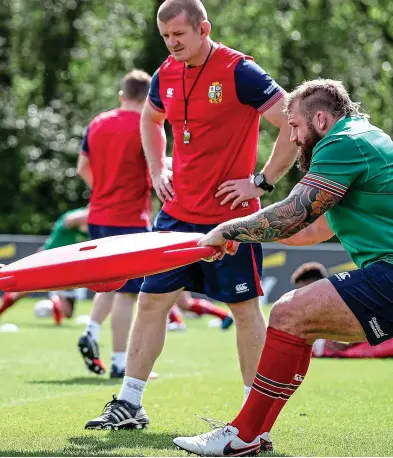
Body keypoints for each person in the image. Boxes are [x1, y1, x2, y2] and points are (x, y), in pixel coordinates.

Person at [172, 78, 393, 456]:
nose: (292, 137)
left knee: (288, 310)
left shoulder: (342, 143)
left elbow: (292, 215)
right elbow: (308, 231)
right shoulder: (358, 139)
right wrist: (239, 235)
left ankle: (241, 435)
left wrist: (227, 229)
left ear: (321, 120)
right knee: (296, 324)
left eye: (294, 126)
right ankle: (251, 436)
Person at [84, 0, 297, 431]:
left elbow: (294, 121)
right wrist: (155, 167)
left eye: (179, 35)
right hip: (176, 216)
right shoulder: (166, 73)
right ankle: (129, 405)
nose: (172, 44)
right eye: (166, 37)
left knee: (244, 309)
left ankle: (252, 418)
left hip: (232, 218)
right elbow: (151, 119)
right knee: (151, 302)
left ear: (204, 28)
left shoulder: (240, 71)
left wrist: (262, 182)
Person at [76, 69, 153, 378]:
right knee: (126, 293)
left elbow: (82, 166)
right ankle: (120, 362)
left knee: (109, 282)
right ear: (149, 98)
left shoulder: (98, 122)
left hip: (98, 214)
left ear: (122, 96)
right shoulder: (147, 125)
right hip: (130, 218)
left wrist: (102, 190)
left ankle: (92, 330)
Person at [0, 207, 89, 325]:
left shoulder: (84, 232)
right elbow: (72, 220)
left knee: (68, 313)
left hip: (63, 266)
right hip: (46, 260)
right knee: (20, 290)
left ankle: (55, 303)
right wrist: (96, 212)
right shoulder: (71, 218)